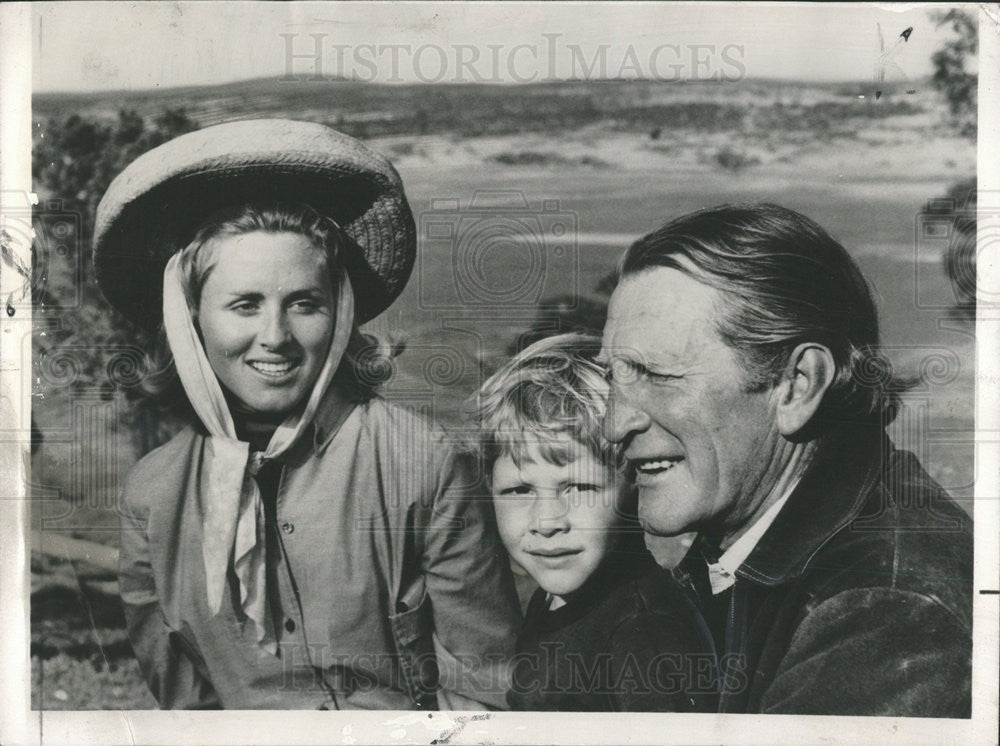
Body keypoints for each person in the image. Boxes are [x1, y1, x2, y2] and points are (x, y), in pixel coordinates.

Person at [96, 119, 522, 709]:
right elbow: (185, 708)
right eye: (244, 305)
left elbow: (483, 688)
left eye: (304, 303)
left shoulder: (422, 462)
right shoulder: (153, 495)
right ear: (191, 319)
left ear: (340, 313)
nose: (275, 336)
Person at [599, 203, 973, 716]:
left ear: (797, 386)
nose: (615, 425)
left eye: (658, 375)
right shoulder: (749, 537)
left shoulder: (884, 612)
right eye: (611, 377)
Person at [471, 333, 715, 711]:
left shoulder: (643, 635)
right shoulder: (553, 599)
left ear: (635, 484)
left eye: (579, 488)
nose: (547, 521)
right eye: (520, 490)